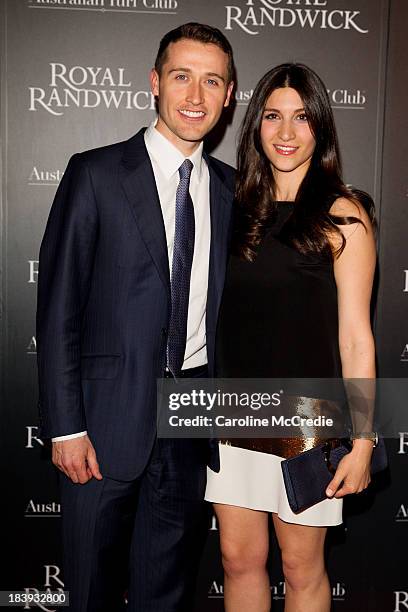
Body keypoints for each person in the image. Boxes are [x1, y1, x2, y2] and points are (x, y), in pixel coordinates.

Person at [36, 22, 235, 612]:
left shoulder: (229, 190)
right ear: (154, 82)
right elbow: (58, 310)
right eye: (182, 77)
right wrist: (66, 426)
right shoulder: (95, 173)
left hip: (191, 420)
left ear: (228, 96)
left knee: (166, 594)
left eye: (212, 81)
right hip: (100, 425)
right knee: (92, 592)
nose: (195, 96)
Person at [205, 63, 377, 612]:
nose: (285, 132)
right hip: (231, 408)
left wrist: (366, 440)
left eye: (301, 117)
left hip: (309, 418)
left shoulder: (343, 215)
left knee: (302, 567)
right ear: (254, 125)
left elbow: (355, 336)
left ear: (320, 128)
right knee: (237, 560)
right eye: (273, 116)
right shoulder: (231, 211)